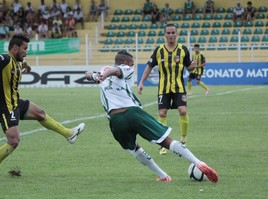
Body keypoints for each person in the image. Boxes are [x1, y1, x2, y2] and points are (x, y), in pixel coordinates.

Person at [85, 50, 218, 183]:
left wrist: (97, 75)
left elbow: (95, 73)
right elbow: (111, 71)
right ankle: (199, 163)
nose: (132, 67)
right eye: (131, 64)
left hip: (115, 120)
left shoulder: (105, 70)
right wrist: (97, 75)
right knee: (165, 140)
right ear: (125, 62)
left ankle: (163, 176)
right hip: (132, 113)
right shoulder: (125, 69)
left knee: (134, 148)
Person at [0, 34, 85, 182]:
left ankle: (69, 134)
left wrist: (26, 66)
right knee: (14, 141)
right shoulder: (5, 59)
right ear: (15, 48)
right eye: (25, 48)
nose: (27, 51)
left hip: (15, 101)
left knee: (40, 114)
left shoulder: (18, 62)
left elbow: (24, 66)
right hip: (4, 106)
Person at [138, 24, 195, 155]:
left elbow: (189, 68)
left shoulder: (183, 49)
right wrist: (141, 82)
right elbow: (149, 66)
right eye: (168, 33)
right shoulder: (159, 50)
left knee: (183, 110)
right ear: (165, 34)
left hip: (178, 87)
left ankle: (183, 139)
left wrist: (193, 66)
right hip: (164, 88)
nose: (170, 35)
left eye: (172, 32)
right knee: (162, 113)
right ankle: (163, 142)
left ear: (176, 34)